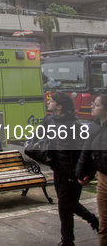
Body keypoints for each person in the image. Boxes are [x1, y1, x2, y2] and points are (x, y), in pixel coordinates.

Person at [42, 92, 98, 246]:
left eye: (51, 101)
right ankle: (67, 240)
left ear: (59, 106)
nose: (48, 102)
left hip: (71, 171)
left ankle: (94, 221)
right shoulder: (49, 121)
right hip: (58, 169)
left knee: (68, 203)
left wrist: (84, 173)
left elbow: (84, 152)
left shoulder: (75, 126)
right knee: (63, 205)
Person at [76, 94, 107, 245]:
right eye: (93, 104)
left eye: (97, 105)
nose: (92, 107)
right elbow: (87, 152)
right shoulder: (94, 127)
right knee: (104, 223)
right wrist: (84, 173)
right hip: (102, 178)